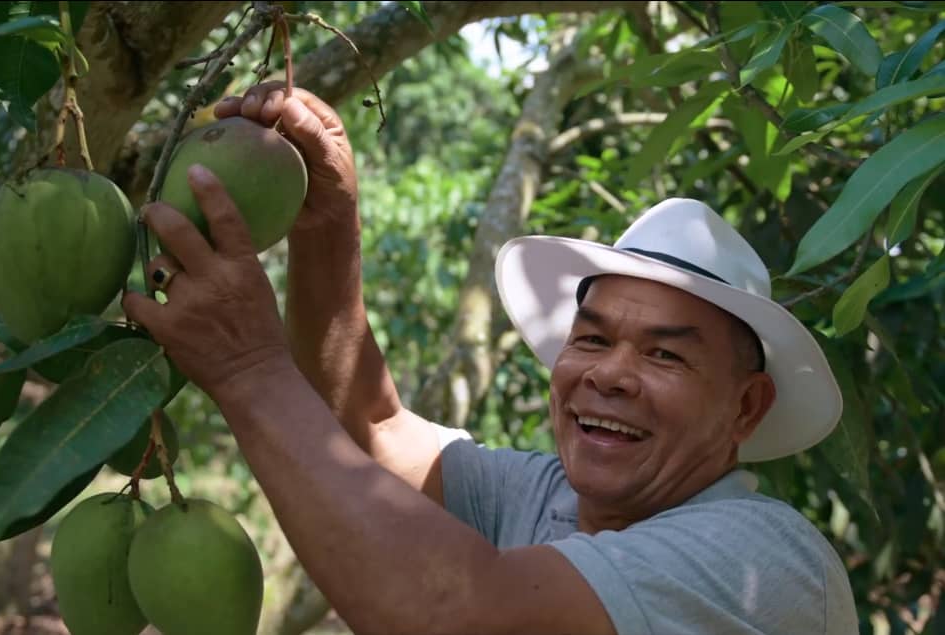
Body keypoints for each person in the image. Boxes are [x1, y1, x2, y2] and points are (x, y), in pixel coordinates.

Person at [123, 82, 861, 635]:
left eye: (665, 353)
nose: (607, 373)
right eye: (593, 337)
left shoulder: (764, 559)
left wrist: (250, 369)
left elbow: (456, 611)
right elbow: (370, 425)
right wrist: (328, 224)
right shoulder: (544, 499)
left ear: (745, 406)